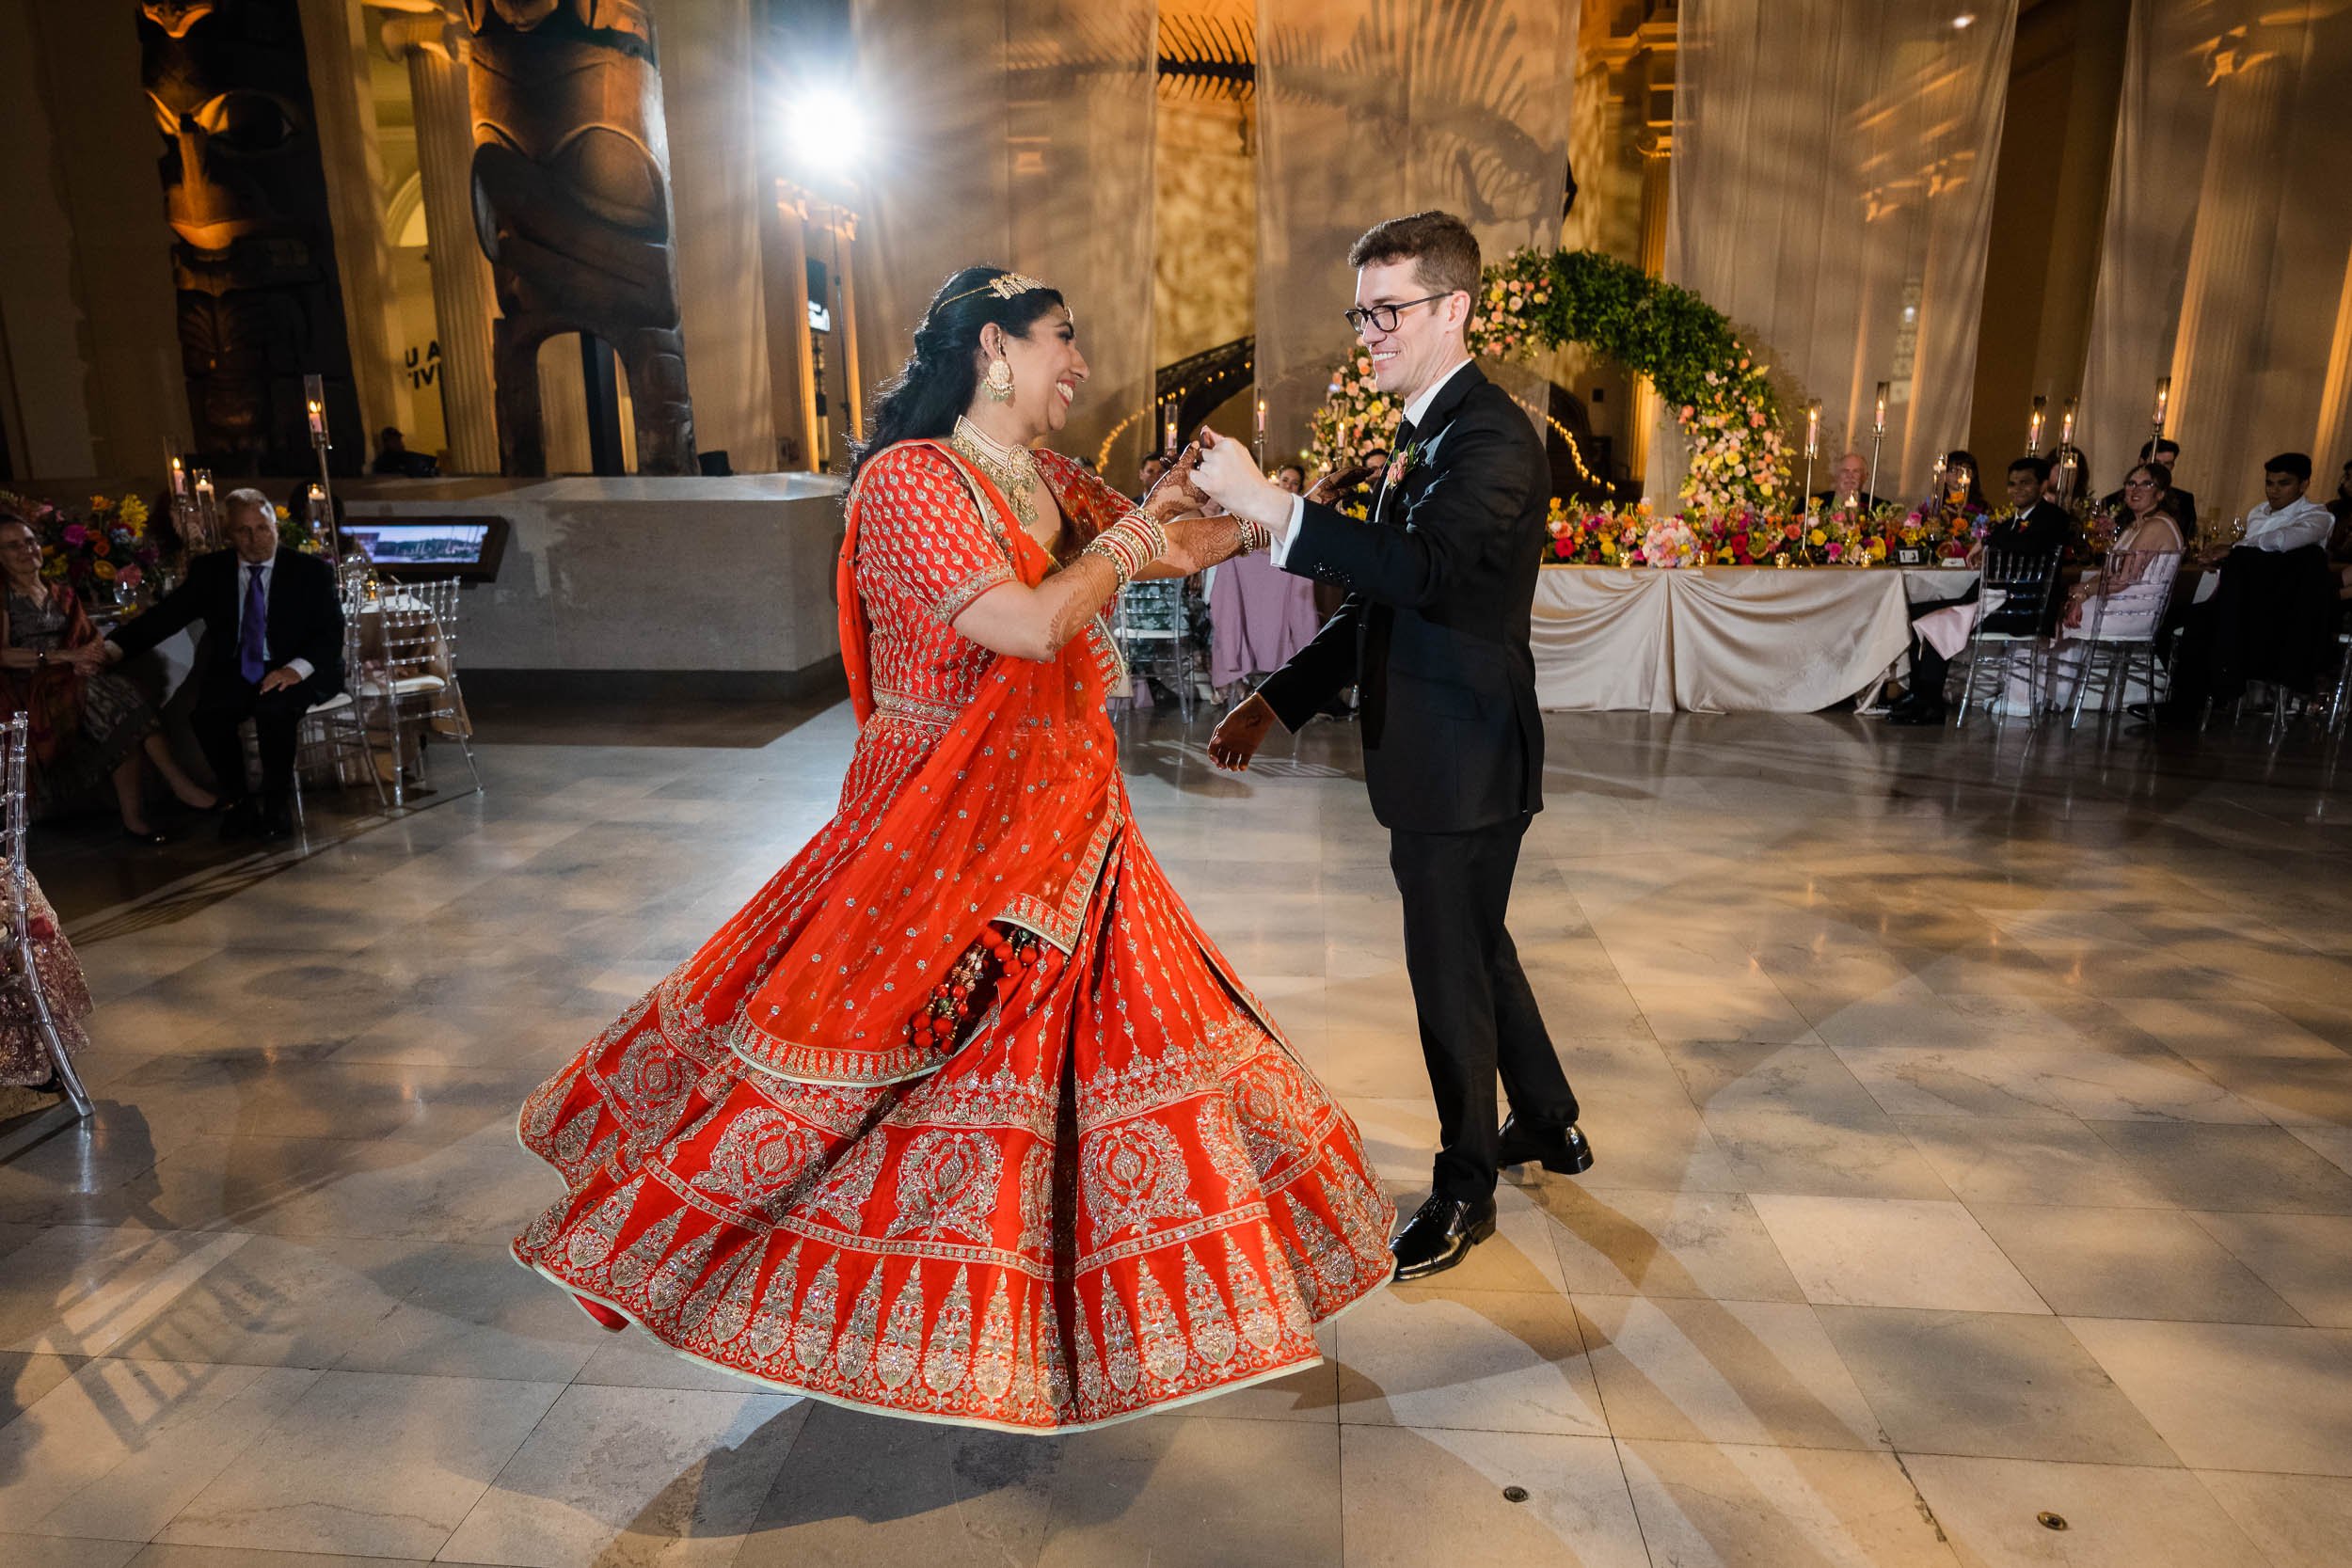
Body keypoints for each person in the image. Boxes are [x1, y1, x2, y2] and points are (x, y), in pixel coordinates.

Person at [507, 265, 1393, 1434]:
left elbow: (1177, 547)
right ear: (994, 349)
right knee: (892, 1045)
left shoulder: (1051, 479)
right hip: (935, 816)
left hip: (1066, 807)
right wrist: (1139, 534)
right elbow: (1027, 622)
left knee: (1111, 1041)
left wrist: (1279, 511)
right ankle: (855, 1288)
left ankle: (1042, 1311)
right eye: (1062, 338)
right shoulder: (910, 481)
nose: (1080, 363)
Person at [1193, 210, 1588, 1283]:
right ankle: (1547, 1115)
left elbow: (1422, 571)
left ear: (1453, 309)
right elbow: (1377, 605)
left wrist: (1267, 504)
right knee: (1477, 940)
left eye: (1388, 311)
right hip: (1445, 747)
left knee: (1448, 968)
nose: (1367, 331)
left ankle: (1464, 1188)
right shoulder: (1426, 430)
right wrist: (1276, 700)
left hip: (1464, 755)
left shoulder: (1493, 437)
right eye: (1361, 312)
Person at [98, 489, 344, 843]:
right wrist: (113, 648)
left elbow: (330, 634)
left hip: (298, 667)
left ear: (275, 528)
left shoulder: (310, 571)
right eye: (244, 530)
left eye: (262, 528)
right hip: (240, 668)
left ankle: (277, 806)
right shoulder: (212, 571)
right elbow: (166, 617)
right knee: (208, 715)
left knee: (275, 710)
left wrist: (294, 669)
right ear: (230, 534)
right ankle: (241, 803)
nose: (255, 538)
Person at [0, 515, 217, 841]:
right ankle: (175, 789)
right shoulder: (4, 597)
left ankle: (141, 814)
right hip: (32, 684)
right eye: (13, 546)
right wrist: (63, 658)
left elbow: (88, 638)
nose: (26, 550)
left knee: (119, 701)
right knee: (117, 699)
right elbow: (2, 655)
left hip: (74, 676)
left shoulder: (59, 592)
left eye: (30, 542)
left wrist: (89, 660)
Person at [1888, 456, 2072, 726]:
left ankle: (1930, 702)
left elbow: (2027, 545)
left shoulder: (2053, 518)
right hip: (1994, 602)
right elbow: (2003, 540)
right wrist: (1988, 543)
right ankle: (1920, 693)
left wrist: (1990, 544)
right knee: (1912, 613)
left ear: (2043, 485)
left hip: (2022, 608)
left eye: (2025, 483)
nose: (2017, 489)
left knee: (1941, 619)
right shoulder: (2011, 523)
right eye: (2012, 484)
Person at [2163, 452, 2337, 718]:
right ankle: (2189, 699)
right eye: (2269, 483)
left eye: (2284, 483)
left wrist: (2234, 549)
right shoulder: (2258, 512)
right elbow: (2251, 562)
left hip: (2281, 610)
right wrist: (2227, 559)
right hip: (2242, 598)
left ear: (2303, 485)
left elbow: (2283, 541)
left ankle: (2201, 700)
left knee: (2206, 626)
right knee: (2173, 620)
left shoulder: (2317, 516)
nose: (2274, 490)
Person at [1207, 462, 1324, 693]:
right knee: (1229, 590)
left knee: (1300, 595)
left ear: (1300, 488)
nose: (1288, 486)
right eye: (1285, 480)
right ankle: (1237, 667)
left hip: (1284, 571)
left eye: (1294, 483)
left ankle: (1296, 668)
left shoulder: (1301, 511)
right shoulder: (1259, 505)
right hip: (1247, 567)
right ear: (1277, 481)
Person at [2101, 439, 2197, 536]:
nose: (2161, 469)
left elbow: (2188, 538)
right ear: (2141, 462)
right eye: (2156, 463)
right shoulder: (2113, 500)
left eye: (2167, 464)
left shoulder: (2184, 501)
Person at [1814, 451, 1883, 515]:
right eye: (1845, 471)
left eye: (1856, 471)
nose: (1850, 476)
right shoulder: (1813, 503)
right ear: (1836, 475)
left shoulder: (1878, 507)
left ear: (1865, 477)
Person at [370, 426, 437, 478]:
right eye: (394, 441)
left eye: (399, 440)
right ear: (386, 443)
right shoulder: (383, 462)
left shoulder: (406, 456)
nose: (399, 443)